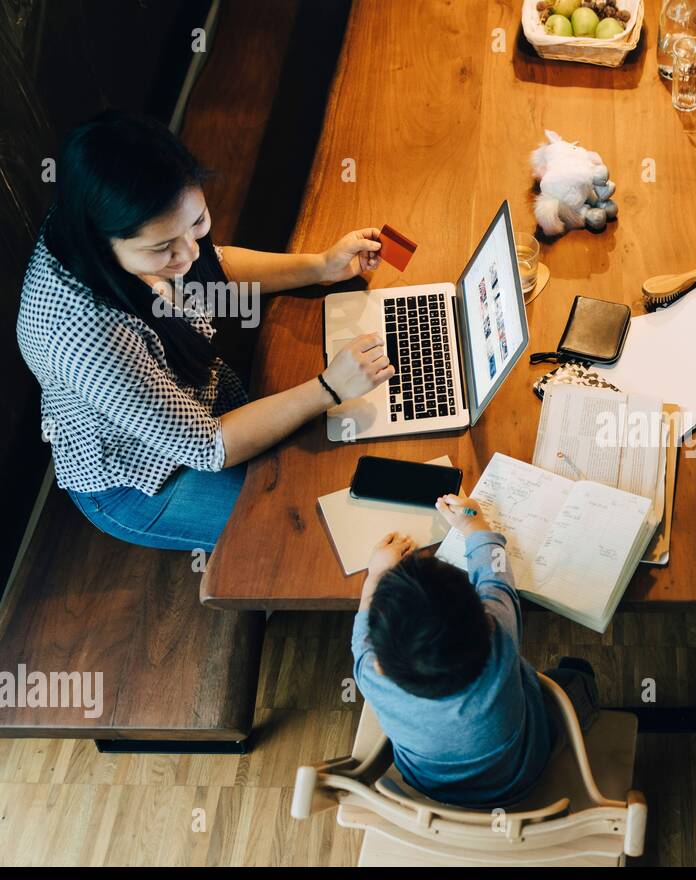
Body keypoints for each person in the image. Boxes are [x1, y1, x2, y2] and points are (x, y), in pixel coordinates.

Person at [16, 110, 393, 552]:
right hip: (144, 478)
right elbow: (210, 446)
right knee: (314, 530)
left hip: (200, 405)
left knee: (346, 467)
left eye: (197, 223)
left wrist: (320, 266)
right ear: (102, 243)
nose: (190, 252)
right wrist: (329, 387)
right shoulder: (85, 333)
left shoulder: (116, 218)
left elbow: (211, 270)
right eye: (163, 249)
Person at [352, 495, 599, 807]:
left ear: (381, 668)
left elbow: (362, 626)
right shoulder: (502, 635)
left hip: (429, 787)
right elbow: (496, 576)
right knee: (574, 676)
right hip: (521, 777)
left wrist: (376, 573)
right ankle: (588, 692)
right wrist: (473, 523)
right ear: (487, 621)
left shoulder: (370, 676)